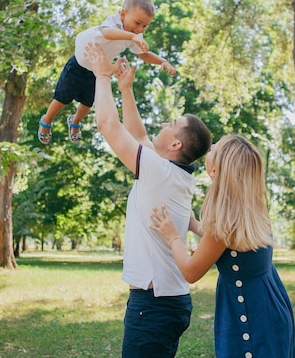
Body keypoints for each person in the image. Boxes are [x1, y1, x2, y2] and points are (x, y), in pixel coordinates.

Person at [83, 41, 212, 357]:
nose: (165, 125)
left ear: (175, 145)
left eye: (171, 125)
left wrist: (102, 75)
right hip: (170, 302)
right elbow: (139, 137)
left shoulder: (160, 172)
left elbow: (108, 126)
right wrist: (125, 90)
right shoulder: (178, 174)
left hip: (153, 305)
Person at [150, 135, 295, 358]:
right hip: (271, 307)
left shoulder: (224, 222)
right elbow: (226, 242)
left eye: (213, 150)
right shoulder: (251, 207)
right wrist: (193, 225)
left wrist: (173, 237)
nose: (207, 152)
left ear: (217, 170)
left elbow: (191, 272)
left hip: (248, 313)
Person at [38, 0, 176, 145]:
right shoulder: (113, 22)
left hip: (96, 72)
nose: (140, 29)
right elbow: (108, 33)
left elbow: (144, 54)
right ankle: (47, 120)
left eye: (145, 25)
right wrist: (131, 37)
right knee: (62, 99)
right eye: (137, 23)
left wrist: (162, 61)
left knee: (87, 104)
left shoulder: (134, 35)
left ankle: (75, 122)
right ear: (123, 14)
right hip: (77, 67)